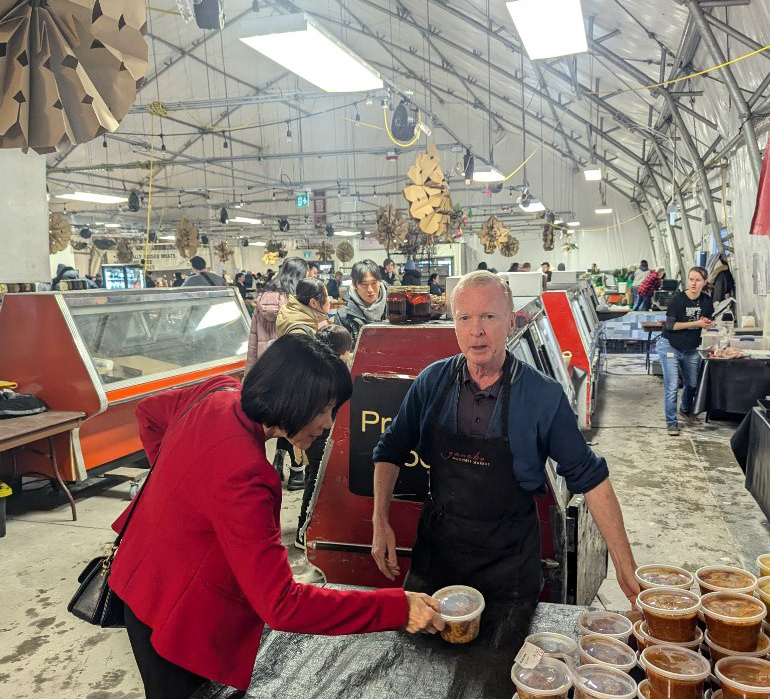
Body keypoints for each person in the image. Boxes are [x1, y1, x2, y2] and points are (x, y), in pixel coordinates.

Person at [108, 334, 444, 699]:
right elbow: (282, 606)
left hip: (140, 584)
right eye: (327, 410)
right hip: (172, 622)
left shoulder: (216, 393)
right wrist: (395, 608)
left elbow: (150, 415)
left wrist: (180, 492)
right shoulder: (246, 477)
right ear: (297, 402)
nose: (329, 424)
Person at [370, 270, 640, 624]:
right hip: (438, 554)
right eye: (464, 318)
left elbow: (590, 478)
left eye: (489, 316)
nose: (476, 330)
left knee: (502, 669)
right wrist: (379, 521)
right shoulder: (431, 382)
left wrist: (625, 565)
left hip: (508, 563)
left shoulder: (542, 396)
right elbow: (390, 450)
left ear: (511, 323)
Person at [295, 324, 354, 551]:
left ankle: (306, 529)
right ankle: (304, 530)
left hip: (312, 436)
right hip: (321, 437)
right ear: (343, 353)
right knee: (316, 481)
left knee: (314, 478)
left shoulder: (312, 369)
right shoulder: (335, 374)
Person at [276, 277, 334, 489]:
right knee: (312, 464)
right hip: (302, 403)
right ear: (313, 303)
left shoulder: (293, 315)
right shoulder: (300, 330)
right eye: (327, 300)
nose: (330, 305)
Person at [656, 266, 715, 437]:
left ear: (704, 282)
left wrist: (708, 323)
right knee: (672, 385)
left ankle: (685, 409)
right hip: (669, 346)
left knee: (693, 384)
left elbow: (706, 320)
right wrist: (696, 323)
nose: (693, 283)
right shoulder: (678, 300)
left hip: (690, 348)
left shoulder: (706, 301)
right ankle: (671, 423)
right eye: (691, 279)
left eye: (698, 280)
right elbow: (670, 326)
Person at [246, 257, 308, 368]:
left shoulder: (263, 298)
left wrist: (249, 375)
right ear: (299, 276)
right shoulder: (298, 301)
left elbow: (253, 343)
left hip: (266, 366)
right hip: (294, 367)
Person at [335, 259, 387, 340]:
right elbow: (340, 350)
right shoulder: (343, 316)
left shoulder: (396, 306)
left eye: (374, 283)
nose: (370, 289)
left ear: (380, 281)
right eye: (364, 284)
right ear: (354, 285)